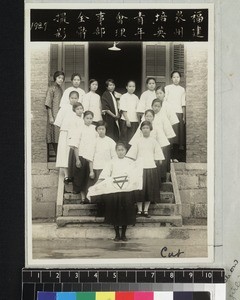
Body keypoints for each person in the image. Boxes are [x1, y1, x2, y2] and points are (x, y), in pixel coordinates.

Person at [98, 143, 136, 241]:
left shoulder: (130, 162)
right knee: (114, 211)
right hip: (114, 190)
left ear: (126, 151)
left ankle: (123, 234)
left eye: (122, 150)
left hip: (126, 190)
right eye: (118, 150)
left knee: (125, 211)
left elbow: (134, 174)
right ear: (116, 151)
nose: (120, 152)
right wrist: (98, 184)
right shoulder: (111, 162)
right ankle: (116, 234)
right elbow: (105, 174)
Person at [127, 121, 164, 218]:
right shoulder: (137, 141)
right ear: (141, 130)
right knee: (140, 190)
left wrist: (158, 160)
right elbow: (132, 155)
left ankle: (146, 210)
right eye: (143, 128)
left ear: (150, 129)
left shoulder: (154, 141)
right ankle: (139, 210)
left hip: (151, 168)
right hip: (139, 169)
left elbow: (158, 156)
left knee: (149, 190)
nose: (145, 130)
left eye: (147, 128)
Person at [68, 111, 97, 201]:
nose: (89, 120)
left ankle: (90, 197)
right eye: (87, 118)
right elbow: (75, 145)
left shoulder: (95, 128)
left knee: (90, 177)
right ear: (83, 118)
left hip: (91, 156)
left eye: (90, 118)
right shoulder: (79, 128)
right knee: (80, 176)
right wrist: (77, 159)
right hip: (81, 156)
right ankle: (83, 197)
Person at [54, 91, 80, 182]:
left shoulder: (78, 109)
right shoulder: (64, 108)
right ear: (69, 98)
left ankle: (73, 174)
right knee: (64, 153)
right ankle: (66, 175)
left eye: (76, 98)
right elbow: (57, 123)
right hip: (65, 133)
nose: (74, 100)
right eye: (72, 98)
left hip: (75, 135)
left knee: (72, 154)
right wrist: (64, 131)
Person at [165, 71, 186, 161]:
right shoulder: (167, 88)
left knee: (178, 136)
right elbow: (165, 102)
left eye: (178, 77)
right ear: (171, 78)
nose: (176, 79)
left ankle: (176, 157)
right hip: (170, 114)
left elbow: (183, 104)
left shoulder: (182, 89)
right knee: (170, 135)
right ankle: (169, 157)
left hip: (179, 113)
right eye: (174, 77)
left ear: (180, 78)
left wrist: (184, 116)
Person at [45, 70, 65, 156]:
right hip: (53, 115)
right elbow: (48, 104)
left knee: (58, 136)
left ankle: (59, 156)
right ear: (55, 78)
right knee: (53, 136)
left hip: (60, 116)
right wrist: (50, 117)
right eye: (59, 78)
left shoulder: (60, 89)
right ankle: (57, 156)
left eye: (62, 78)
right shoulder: (51, 88)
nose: (60, 80)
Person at [67, 102, 84, 183]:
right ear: (74, 110)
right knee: (76, 166)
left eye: (81, 108)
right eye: (77, 109)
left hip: (82, 144)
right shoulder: (73, 120)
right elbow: (73, 133)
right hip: (75, 144)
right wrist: (74, 146)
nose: (80, 111)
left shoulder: (83, 119)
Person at [119, 80, 139, 147]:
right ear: (126, 87)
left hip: (134, 120)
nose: (131, 88)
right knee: (125, 138)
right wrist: (127, 120)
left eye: (133, 86)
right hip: (126, 120)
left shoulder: (136, 97)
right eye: (130, 86)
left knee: (133, 139)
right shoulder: (124, 96)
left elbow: (138, 109)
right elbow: (123, 109)